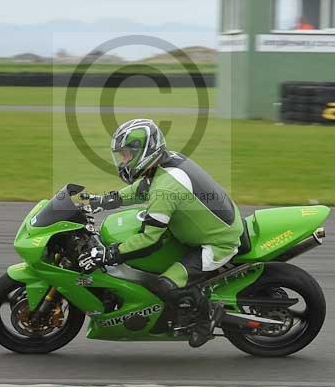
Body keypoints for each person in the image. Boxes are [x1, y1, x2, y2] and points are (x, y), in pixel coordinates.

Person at [77, 118, 243, 347]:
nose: (122, 161)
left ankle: (208, 316)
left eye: (125, 155)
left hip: (217, 243)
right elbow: (143, 188)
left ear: (143, 151)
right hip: (205, 226)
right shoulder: (164, 163)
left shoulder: (166, 187)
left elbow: (149, 240)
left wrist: (109, 254)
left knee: (165, 284)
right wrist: (104, 201)